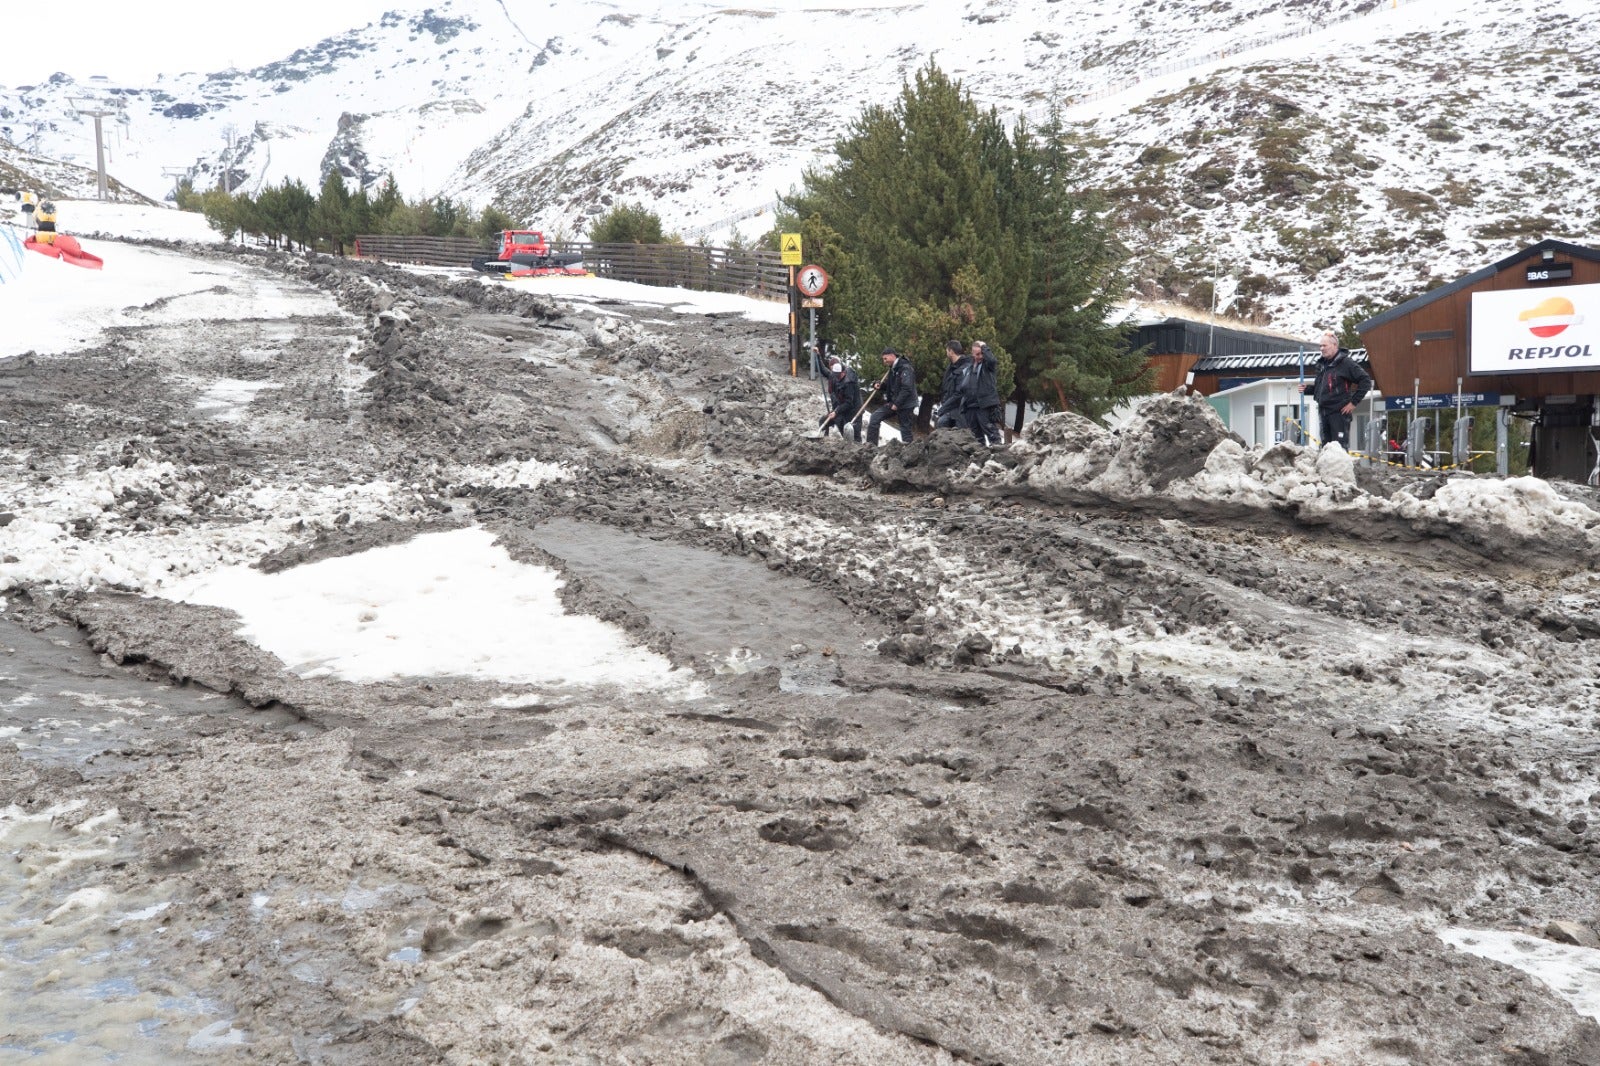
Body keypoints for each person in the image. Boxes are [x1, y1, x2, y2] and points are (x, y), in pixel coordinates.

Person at [1298, 331, 1371, 449]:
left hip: (1339, 413)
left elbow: (1365, 381)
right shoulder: (1322, 365)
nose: (1321, 348)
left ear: (1335, 345)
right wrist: (1307, 389)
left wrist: (1353, 402)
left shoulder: (1346, 363)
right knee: (1326, 448)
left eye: (1324, 345)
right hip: (1323, 412)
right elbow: (1321, 388)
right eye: (1320, 346)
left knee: (1339, 449)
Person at [866, 347, 917, 445]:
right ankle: (871, 447)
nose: (884, 361)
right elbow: (890, 386)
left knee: (905, 429)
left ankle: (910, 453)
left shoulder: (905, 368)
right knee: (875, 417)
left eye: (885, 359)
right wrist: (879, 385)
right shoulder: (893, 369)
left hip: (906, 404)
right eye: (883, 359)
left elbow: (907, 388)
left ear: (892, 355)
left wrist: (897, 404)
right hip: (894, 402)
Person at [963, 340, 1003, 446]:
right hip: (970, 406)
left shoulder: (988, 366)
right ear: (972, 353)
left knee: (992, 434)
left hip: (985, 405)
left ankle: (999, 456)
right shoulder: (968, 367)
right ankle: (979, 459)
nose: (980, 356)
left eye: (981, 353)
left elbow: (992, 361)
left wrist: (984, 347)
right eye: (977, 354)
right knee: (975, 438)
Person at [819, 357, 861, 439]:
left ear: (843, 373)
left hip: (854, 410)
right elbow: (825, 371)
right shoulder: (836, 376)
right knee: (823, 421)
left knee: (854, 435)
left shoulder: (849, 383)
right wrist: (818, 356)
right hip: (841, 409)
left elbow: (849, 402)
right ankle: (823, 440)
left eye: (837, 376)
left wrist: (836, 411)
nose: (836, 378)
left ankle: (859, 450)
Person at [935, 340, 968, 430]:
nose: (946, 352)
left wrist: (944, 407)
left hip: (960, 411)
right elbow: (946, 388)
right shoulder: (950, 368)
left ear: (951, 351)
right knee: (941, 424)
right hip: (949, 408)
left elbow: (959, 394)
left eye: (947, 350)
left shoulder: (964, 368)